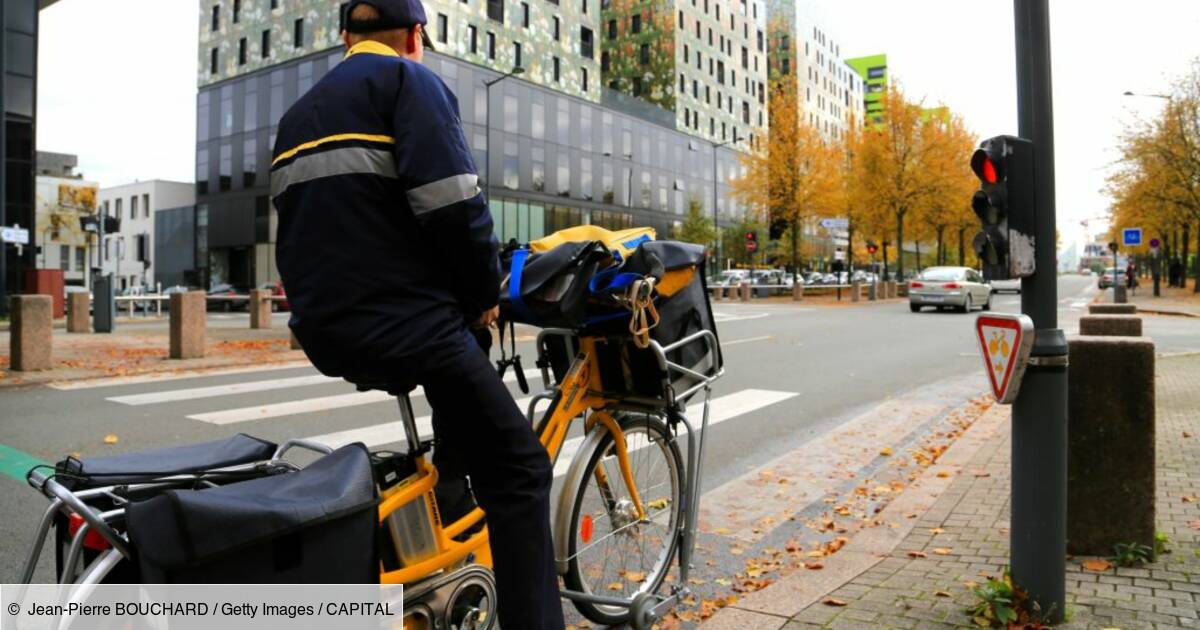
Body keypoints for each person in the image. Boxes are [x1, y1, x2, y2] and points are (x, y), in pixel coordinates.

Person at [269, 2, 564, 627]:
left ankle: (450, 515)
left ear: (345, 37)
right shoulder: (410, 83)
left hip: (325, 328)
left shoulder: (298, 113)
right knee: (522, 471)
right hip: (407, 325)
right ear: (414, 36)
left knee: (460, 417)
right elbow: (453, 206)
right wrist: (484, 292)